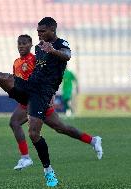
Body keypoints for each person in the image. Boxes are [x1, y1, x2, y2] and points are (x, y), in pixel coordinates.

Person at [0, 17, 82, 187]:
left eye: (42, 31)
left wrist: (53, 51)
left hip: (42, 94)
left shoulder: (60, 44)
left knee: (33, 133)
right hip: (30, 85)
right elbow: (40, 69)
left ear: (52, 30)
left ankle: (49, 171)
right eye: (37, 31)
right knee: (3, 78)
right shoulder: (39, 47)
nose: (39, 34)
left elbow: (67, 56)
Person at [10, 35, 103, 171]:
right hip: (27, 99)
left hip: (39, 99)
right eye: (19, 43)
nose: (21, 46)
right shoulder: (16, 62)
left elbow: (48, 76)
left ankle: (25, 158)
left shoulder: (35, 59)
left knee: (16, 122)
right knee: (61, 128)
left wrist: (51, 93)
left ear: (30, 45)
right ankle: (93, 140)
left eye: (24, 43)